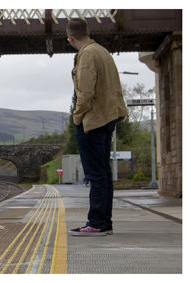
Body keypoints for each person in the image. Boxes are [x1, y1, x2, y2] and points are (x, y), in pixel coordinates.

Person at [66, 18, 127, 236]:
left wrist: (77, 117)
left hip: (92, 121)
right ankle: (104, 221)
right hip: (107, 118)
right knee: (103, 173)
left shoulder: (87, 55)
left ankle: (96, 222)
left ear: (70, 38)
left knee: (95, 174)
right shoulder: (103, 52)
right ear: (88, 32)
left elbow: (85, 93)